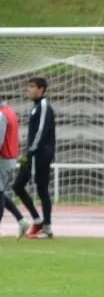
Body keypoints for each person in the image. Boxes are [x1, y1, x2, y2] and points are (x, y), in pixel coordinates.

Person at [12, 77, 56, 239]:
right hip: (30, 155)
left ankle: (48, 228)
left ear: (41, 89)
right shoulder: (35, 107)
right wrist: (26, 153)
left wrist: (30, 151)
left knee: (42, 189)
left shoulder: (44, 106)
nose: (28, 89)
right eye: (28, 86)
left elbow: (41, 132)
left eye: (32, 86)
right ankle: (37, 220)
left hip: (41, 155)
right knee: (17, 186)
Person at [0, 99, 30, 239]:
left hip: (3, 158)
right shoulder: (10, 112)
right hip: (9, 157)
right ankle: (21, 220)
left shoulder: (1, 115)